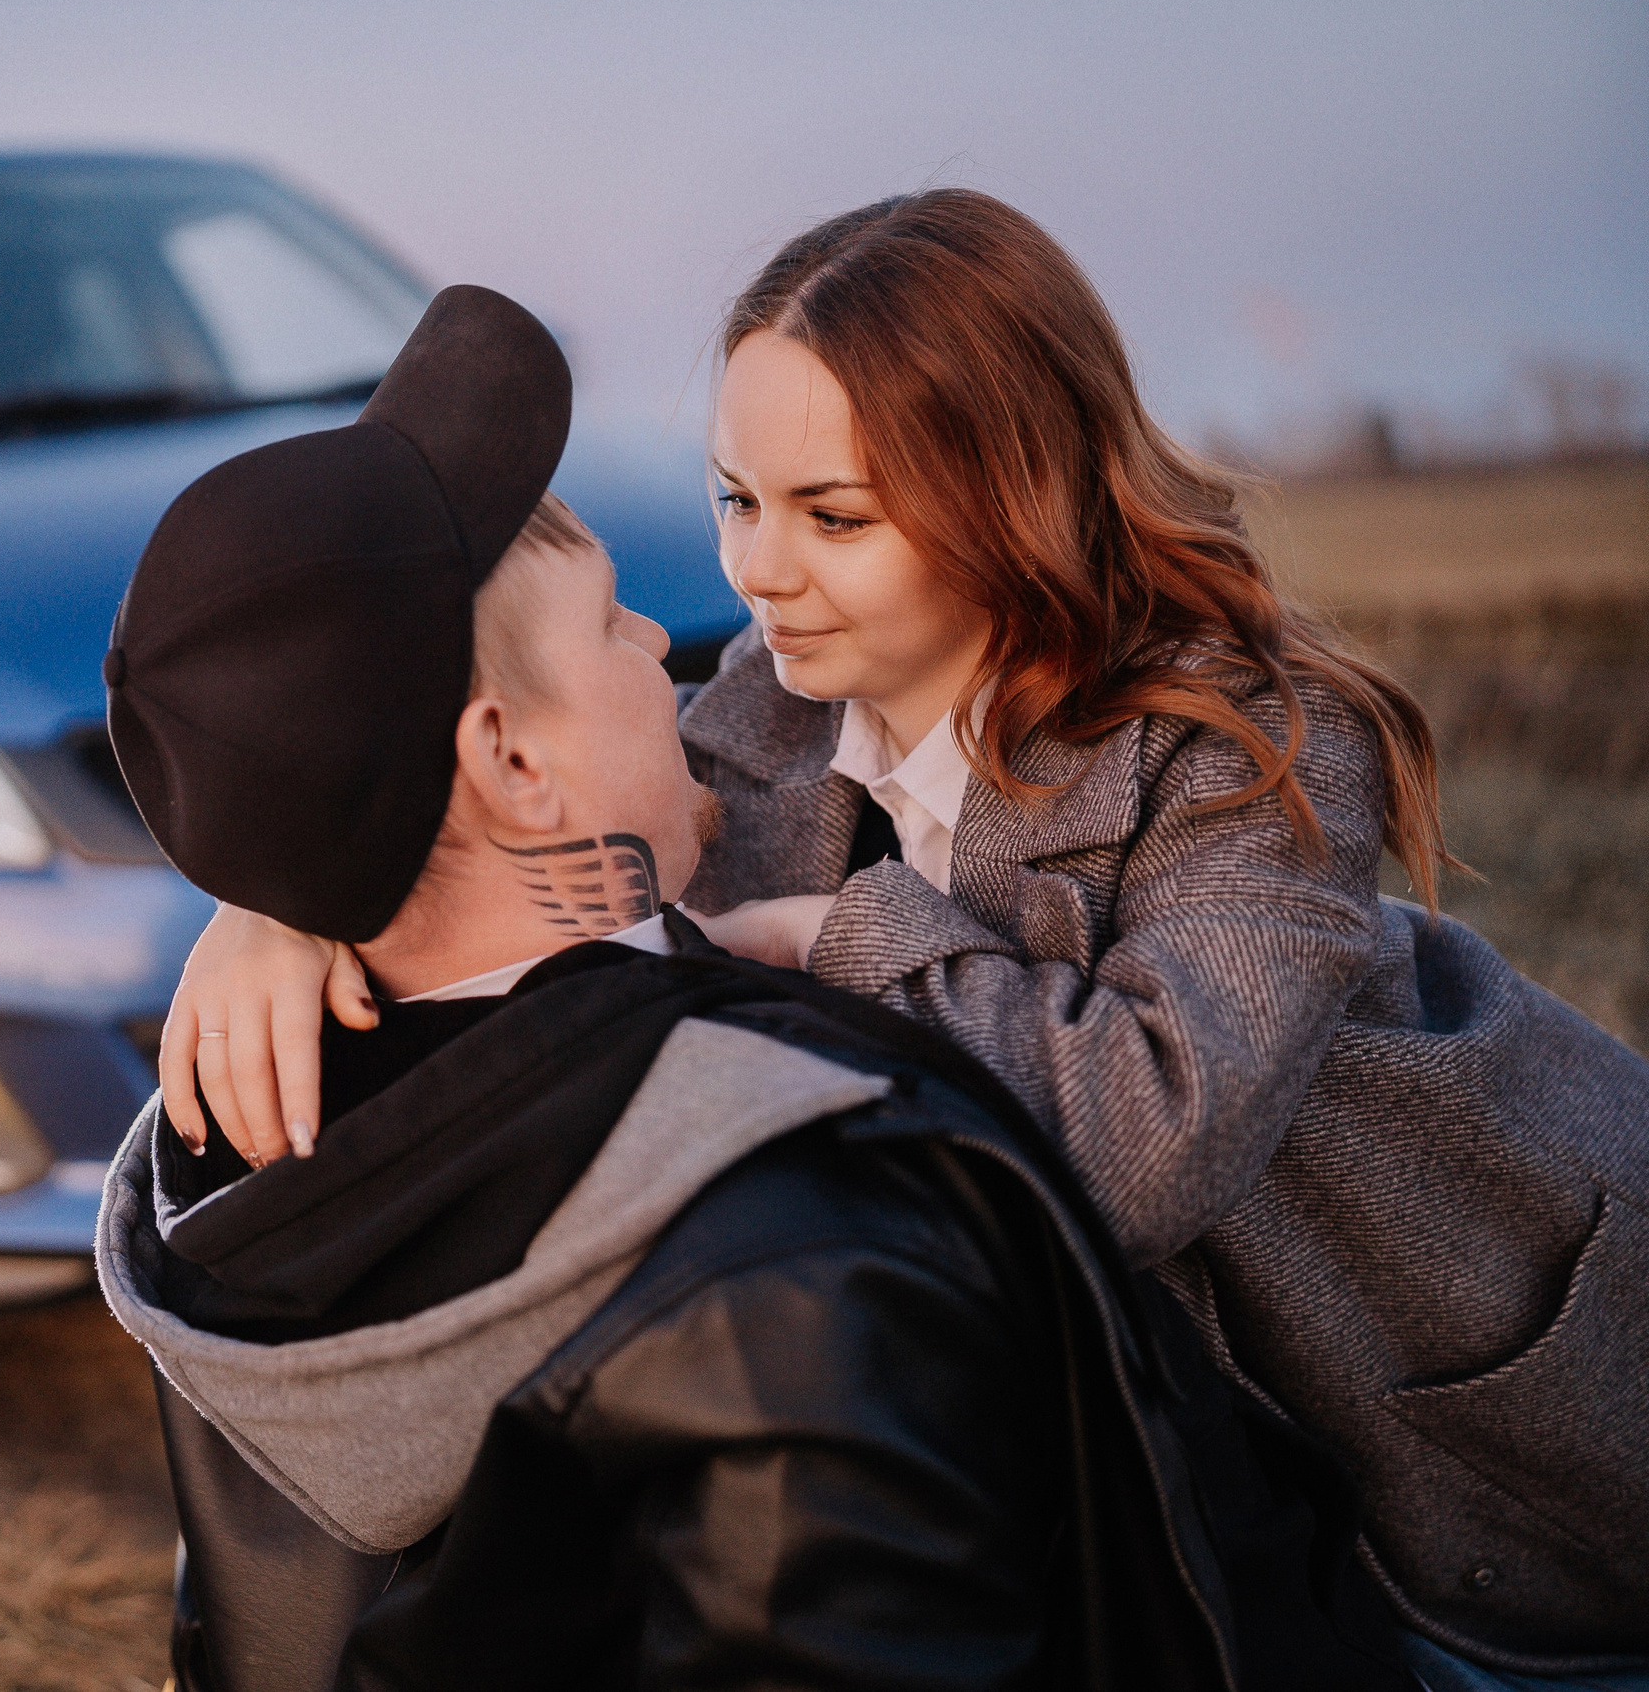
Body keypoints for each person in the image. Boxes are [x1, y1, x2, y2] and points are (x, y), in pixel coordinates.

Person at [156, 194, 1649, 1687]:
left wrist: (844, 933)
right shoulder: (765, 709)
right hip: (1214, 1476)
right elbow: (499, 807)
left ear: (1016, 495)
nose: (759, 569)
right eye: (737, 498)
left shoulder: (1241, 741)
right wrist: (287, 900)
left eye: (835, 516)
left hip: (1451, 1383)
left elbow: (1145, 1141)